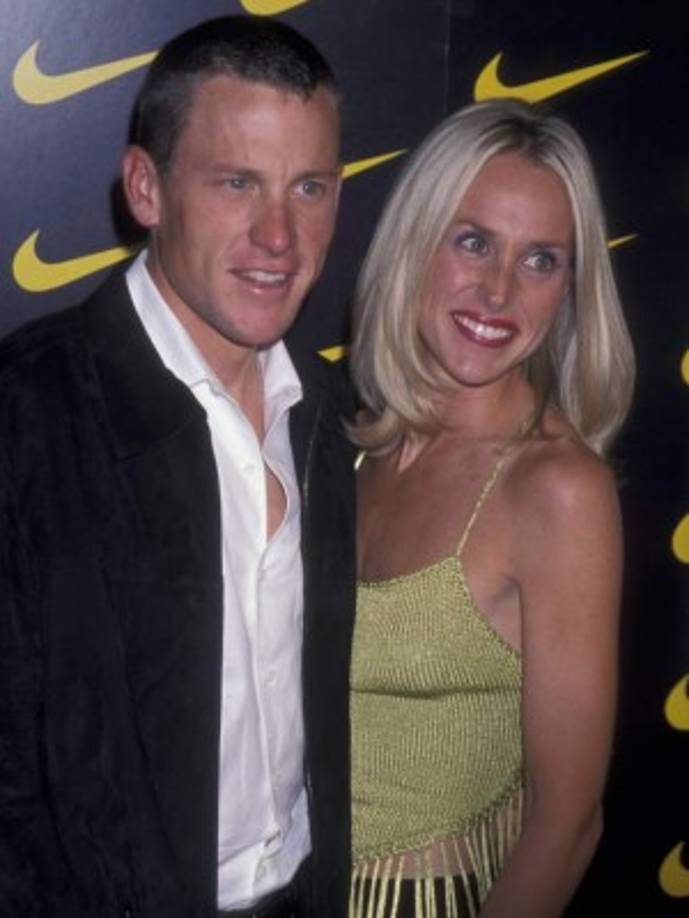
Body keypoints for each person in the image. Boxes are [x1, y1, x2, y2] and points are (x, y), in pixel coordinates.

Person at [0, 15, 356, 918]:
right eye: (238, 183)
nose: (279, 235)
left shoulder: (329, 414)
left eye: (308, 188)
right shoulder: (26, 418)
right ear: (146, 189)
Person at [348, 99, 635, 918]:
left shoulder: (555, 490)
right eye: (472, 242)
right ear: (415, 241)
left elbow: (568, 824)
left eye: (540, 259)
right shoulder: (354, 454)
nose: (498, 289)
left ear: (569, 290)